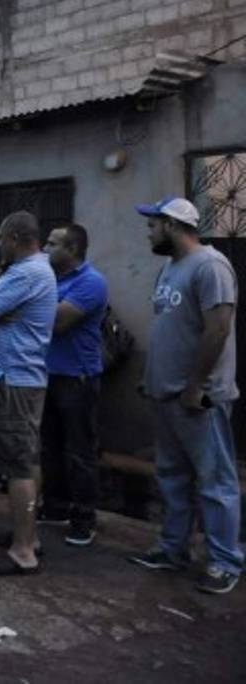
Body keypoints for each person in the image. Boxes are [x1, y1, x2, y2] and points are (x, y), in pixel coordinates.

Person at [130, 197, 241, 595]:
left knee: (215, 482)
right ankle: (173, 549)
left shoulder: (210, 266)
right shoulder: (170, 267)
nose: (149, 232)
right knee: (172, 477)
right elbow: (167, 327)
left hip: (198, 397)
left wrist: (195, 385)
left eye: (153, 225)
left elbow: (218, 330)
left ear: (173, 225)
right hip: (165, 393)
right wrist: (151, 378)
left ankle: (225, 560)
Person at [0, 210, 57, 576]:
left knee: (19, 464)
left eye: (2, 239)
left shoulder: (27, 272)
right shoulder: (31, 272)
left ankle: (24, 551)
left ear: (17, 238)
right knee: (26, 459)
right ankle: (28, 535)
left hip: (14, 379)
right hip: (16, 377)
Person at [40, 223, 108, 547]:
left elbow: (58, 322)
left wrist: (30, 305)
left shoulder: (90, 282)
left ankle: (84, 518)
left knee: (79, 450)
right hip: (48, 373)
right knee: (49, 446)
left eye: (52, 243)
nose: (44, 248)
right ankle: (55, 507)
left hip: (77, 377)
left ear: (72, 249)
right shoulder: (50, 279)